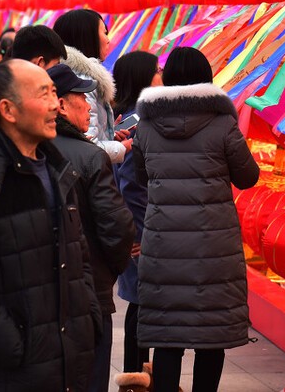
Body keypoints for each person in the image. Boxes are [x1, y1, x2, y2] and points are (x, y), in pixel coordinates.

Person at [0, 60, 99, 391]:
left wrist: (88, 323)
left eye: (55, 93)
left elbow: (78, 261)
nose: (56, 104)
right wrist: (20, 347)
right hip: (8, 373)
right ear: (8, 110)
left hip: (66, 365)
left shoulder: (57, 169)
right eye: (44, 94)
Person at [132, 46, 259, 392]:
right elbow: (247, 177)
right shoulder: (222, 124)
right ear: (207, 78)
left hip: (163, 244)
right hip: (213, 248)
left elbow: (142, 176)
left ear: (168, 77)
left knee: (167, 334)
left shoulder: (146, 126)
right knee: (210, 335)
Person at [47, 64, 135, 392]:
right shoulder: (89, 156)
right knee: (91, 373)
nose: (88, 106)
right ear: (59, 104)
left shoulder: (26, 149)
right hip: (90, 288)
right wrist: (110, 268)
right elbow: (117, 226)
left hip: (44, 290)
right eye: (81, 98)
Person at [109, 51, 161, 388]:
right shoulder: (136, 124)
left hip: (135, 227)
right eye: (157, 70)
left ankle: (139, 375)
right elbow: (131, 188)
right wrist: (140, 233)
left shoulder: (127, 119)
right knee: (142, 306)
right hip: (139, 229)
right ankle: (135, 378)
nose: (162, 74)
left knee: (141, 304)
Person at [54, 10, 124, 165]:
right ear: (87, 36)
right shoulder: (82, 82)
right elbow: (87, 146)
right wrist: (121, 147)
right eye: (104, 33)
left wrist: (110, 131)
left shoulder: (71, 76)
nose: (108, 40)